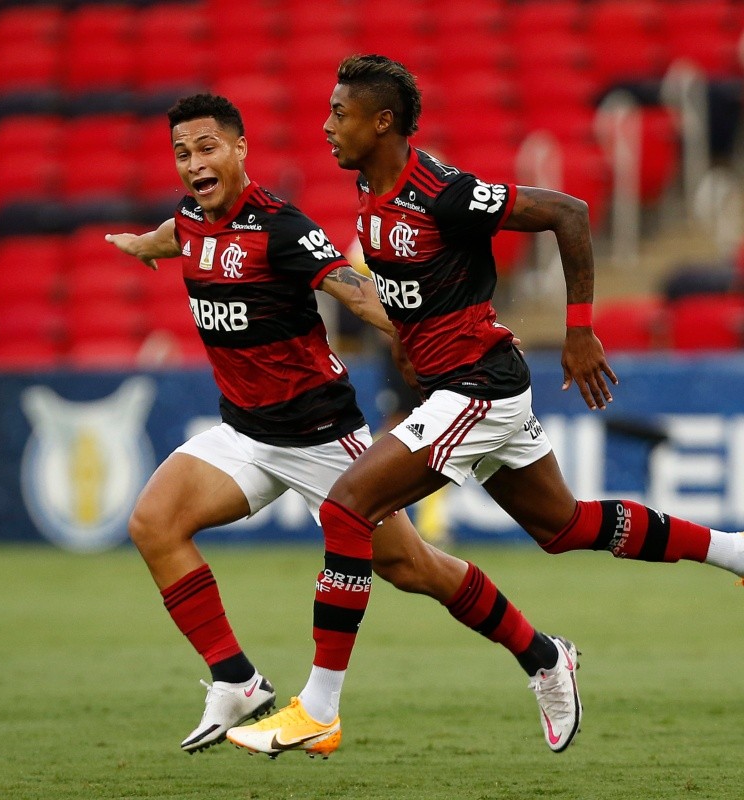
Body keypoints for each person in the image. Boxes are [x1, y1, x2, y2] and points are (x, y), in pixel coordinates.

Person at [226, 54, 744, 758]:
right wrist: (408, 344)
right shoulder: (368, 192)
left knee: (346, 509)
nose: (326, 125)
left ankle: (318, 706)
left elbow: (569, 212)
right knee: (562, 526)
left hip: (479, 386)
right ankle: (723, 555)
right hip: (460, 384)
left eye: (339, 113)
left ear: (383, 123)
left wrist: (581, 329)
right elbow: (421, 288)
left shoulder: (441, 191)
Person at [105, 92, 584, 757]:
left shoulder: (282, 228)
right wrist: (140, 245)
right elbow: (174, 233)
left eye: (207, 147)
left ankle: (541, 655)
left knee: (415, 569)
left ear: (240, 150)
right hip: (245, 432)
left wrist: (413, 329)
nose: (194, 164)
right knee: (153, 522)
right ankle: (236, 679)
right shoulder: (191, 219)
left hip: (321, 436)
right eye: (182, 153)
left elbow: (352, 287)